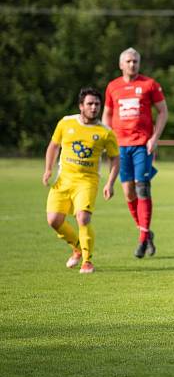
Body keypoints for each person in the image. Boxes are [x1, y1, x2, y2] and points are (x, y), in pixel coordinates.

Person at [43, 87, 120, 274]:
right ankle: (77, 247)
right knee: (54, 220)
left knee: (83, 217)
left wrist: (110, 183)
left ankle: (87, 261)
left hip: (87, 181)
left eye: (97, 104)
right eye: (90, 104)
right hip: (64, 179)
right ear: (81, 106)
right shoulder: (65, 123)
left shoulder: (105, 132)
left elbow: (115, 158)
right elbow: (53, 146)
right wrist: (48, 169)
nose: (94, 107)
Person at [103, 48, 168, 258]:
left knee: (142, 189)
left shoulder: (149, 84)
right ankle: (146, 232)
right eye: (129, 61)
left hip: (142, 145)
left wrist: (154, 138)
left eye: (136, 61)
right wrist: (108, 139)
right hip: (121, 147)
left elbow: (163, 112)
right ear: (121, 64)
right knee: (128, 193)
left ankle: (142, 240)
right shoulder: (113, 87)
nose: (132, 65)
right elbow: (107, 114)